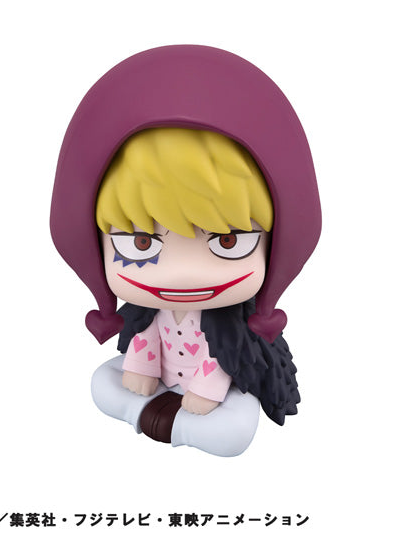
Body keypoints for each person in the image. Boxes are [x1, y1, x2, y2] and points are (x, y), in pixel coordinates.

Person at [50, 45, 321, 456]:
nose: (182, 273)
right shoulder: (146, 312)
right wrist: (141, 368)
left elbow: (222, 360)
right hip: (163, 377)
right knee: (102, 383)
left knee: (235, 429)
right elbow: (144, 339)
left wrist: (206, 390)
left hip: (214, 391)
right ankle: (157, 416)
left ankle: (169, 421)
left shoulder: (232, 326)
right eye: (141, 242)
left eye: (227, 241)